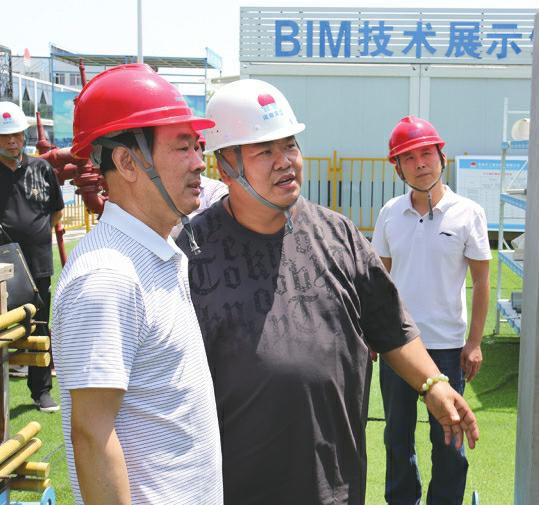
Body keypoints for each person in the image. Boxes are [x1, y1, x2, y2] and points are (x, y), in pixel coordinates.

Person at [177, 79, 479, 505]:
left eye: (290, 145)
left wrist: (432, 384)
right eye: (265, 151)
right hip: (236, 486)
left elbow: (390, 325)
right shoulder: (191, 254)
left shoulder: (338, 235)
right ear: (225, 166)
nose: (285, 162)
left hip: (336, 485)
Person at [51, 64, 222, 504]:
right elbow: (92, 436)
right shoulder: (107, 277)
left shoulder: (155, 252)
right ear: (127, 162)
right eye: (182, 147)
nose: (198, 162)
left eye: (197, 146)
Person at [372, 116, 491, 505]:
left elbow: (481, 282)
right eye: (408, 157)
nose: (420, 163)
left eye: (426, 153)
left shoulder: (468, 212)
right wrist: (371, 334)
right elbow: (379, 281)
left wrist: (474, 342)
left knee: (449, 437)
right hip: (398, 345)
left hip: (447, 346)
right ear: (398, 168)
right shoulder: (390, 213)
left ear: (442, 157)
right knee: (396, 435)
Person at [0, 101, 63, 412]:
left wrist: (36, 236)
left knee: (39, 324)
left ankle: (41, 391)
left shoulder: (42, 168)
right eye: (5, 136)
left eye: (16, 134)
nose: (12, 141)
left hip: (38, 262)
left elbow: (56, 211)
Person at [168, 132, 227, 239]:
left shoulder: (215, 190)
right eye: (183, 149)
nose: (200, 165)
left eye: (196, 148)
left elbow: (221, 223)